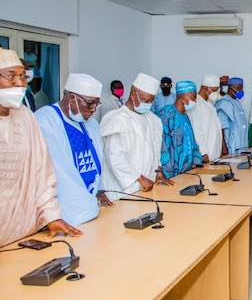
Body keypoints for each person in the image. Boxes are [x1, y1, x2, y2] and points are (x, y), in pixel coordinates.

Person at [0, 49, 81, 246]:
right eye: (11, 77)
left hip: (24, 232)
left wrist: (51, 216)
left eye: (22, 76)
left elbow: (42, 172)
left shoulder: (26, 116)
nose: (20, 84)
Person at [35, 73, 111, 226]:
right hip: (63, 214)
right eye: (89, 104)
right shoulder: (45, 120)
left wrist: (99, 189)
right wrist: (82, 206)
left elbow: (98, 161)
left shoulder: (91, 124)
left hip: (91, 208)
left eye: (97, 104)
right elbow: (58, 173)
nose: (93, 110)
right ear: (71, 98)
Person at [101, 73, 170, 201]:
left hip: (148, 185)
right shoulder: (116, 119)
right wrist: (139, 178)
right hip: (123, 189)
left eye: (151, 101)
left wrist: (158, 169)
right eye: (146, 100)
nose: (148, 104)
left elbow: (155, 147)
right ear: (133, 95)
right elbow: (114, 157)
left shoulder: (153, 119)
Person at [158, 81, 203, 178]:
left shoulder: (185, 116)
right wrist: (165, 174)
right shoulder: (167, 114)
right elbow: (163, 146)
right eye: (194, 97)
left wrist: (197, 160)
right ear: (184, 96)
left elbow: (192, 142)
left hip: (187, 172)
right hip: (172, 174)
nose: (195, 101)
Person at [187, 74, 223, 162]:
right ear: (206, 88)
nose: (216, 94)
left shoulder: (209, 105)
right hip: (205, 155)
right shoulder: (196, 104)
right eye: (214, 90)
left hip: (214, 155)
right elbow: (196, 130)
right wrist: (202, 153)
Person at [216, 77, 249, 155]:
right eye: (238, 88)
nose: (241, 91)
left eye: (242, 88)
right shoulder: (223, 103)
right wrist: (223, 147)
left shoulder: (237, 102)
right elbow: (221, 128)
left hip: (241, 145)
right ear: (231, 88)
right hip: (231, 146)